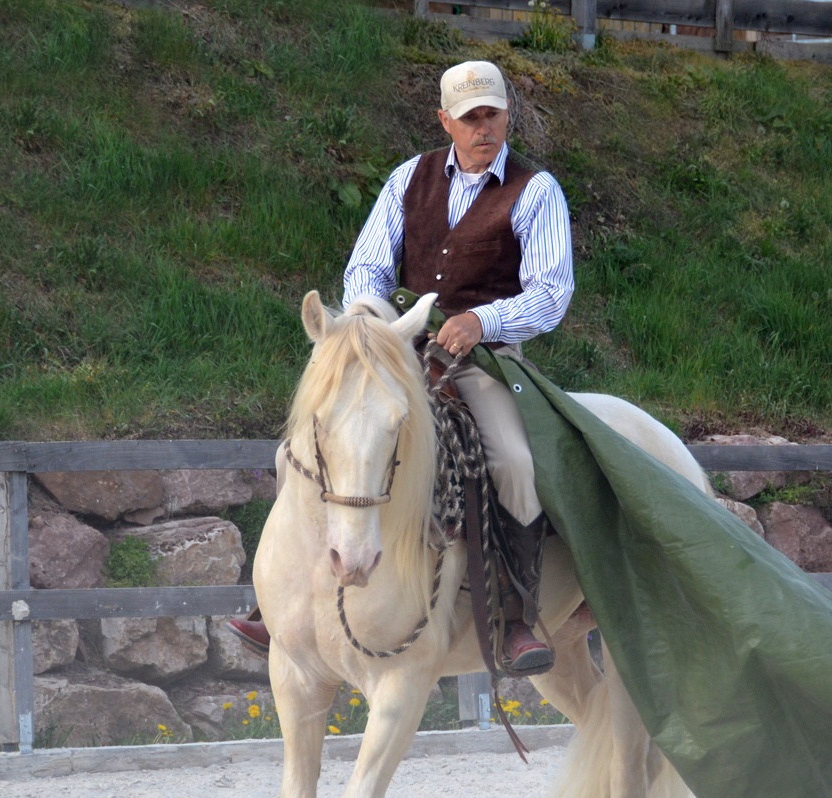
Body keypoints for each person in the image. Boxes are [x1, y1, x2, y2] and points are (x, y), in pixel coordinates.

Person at [227, 60, 574, 676]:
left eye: (492, 114)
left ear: (506, 115)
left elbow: (552, 292)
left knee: (514, 462)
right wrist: (369, 322)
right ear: (445, 120)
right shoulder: (407, 179)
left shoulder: (535, 190)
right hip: (398, 348)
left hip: (484, 360)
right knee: (294, 451)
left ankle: (516, 618)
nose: (483, 127)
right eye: (470, 117)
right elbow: (366, 268)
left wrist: (482, 322)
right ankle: (273, 602)